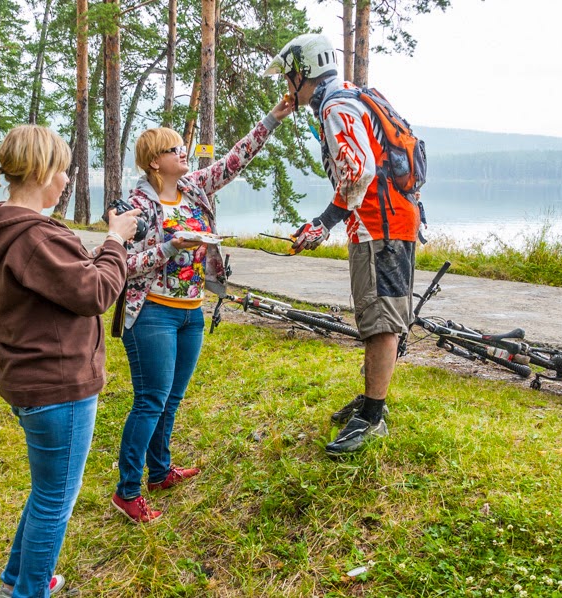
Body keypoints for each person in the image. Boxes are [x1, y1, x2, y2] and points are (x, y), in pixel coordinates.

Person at [0, 125, 141, 598]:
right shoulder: (36, 236)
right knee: (56, 500)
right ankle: (29, 592)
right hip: (58, 385)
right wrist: (116, 240)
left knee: (45, 492)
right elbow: (96, 292)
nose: (65, 180)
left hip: (29, 379)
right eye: (62, 170)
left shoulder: (5, 229)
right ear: (42, 171)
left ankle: (16, 582)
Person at [110, 98, 295, 523]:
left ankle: (159, 472)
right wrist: (172, 246)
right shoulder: (135, 208)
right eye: (175, 150)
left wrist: (272, 118)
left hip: (192, 311)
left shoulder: (194, 188)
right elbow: (123, 264)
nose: (184, 154)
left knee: (171, 398)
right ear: (155, 162)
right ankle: (126, 492)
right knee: (150, 401)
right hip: (152, 313)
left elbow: (235, 161)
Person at [263, 34, 422, 456]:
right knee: (376, 318)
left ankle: (372, 418)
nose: (289, 85)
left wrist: (323, 222)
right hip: (391, 221)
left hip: (379, 225)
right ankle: (372, 400)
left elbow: (358, 169)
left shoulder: (334, 107)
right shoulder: (351, 94)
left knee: (380, 321)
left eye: (291, 76)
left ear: (303, 73)